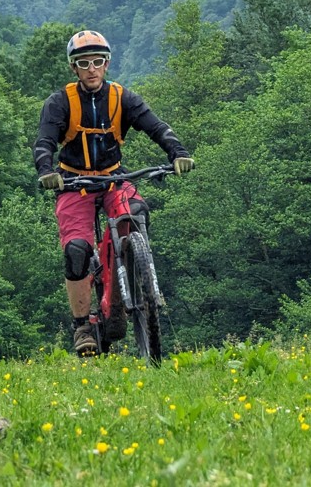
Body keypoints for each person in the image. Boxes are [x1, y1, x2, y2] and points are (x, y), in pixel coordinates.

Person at [34, 29, 194, 355]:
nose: (91, 68)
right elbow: (45, 142)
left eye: (97, 62)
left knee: (135, 213)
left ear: (106, 64)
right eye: (83, 63)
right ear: (74, 68)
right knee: (77, 249)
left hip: (112, 179)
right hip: (74, 184)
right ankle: (82, 327)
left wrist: (177, 153)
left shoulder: (123, 98)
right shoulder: (60, 102)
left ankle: (134, 272)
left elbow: (156, 126)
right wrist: (47, 171)